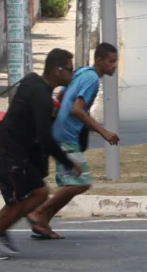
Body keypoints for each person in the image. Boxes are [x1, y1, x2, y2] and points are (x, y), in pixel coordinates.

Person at [0, 48, 81, 261]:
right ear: (57, 70)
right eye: (69, 69)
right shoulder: (42, 96)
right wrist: (68, 162)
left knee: (38, 193)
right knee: (19, 201)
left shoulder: (33, 83)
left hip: (12, 150)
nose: (72, 74)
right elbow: (45, 138)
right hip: (8, 152)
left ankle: (1, 229)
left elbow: (27, 123)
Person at [26, 43, 120, 237]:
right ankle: (39, 212)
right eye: (111, 61)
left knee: (72, 183)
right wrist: (104, 132)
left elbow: (62, 94)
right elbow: (77, 109)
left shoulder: (83, 72)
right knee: (81, 182)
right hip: (65, 135)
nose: (115, 65)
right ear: (100, 61)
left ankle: (42, 223)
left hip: (63, 133)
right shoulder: (92, 79)